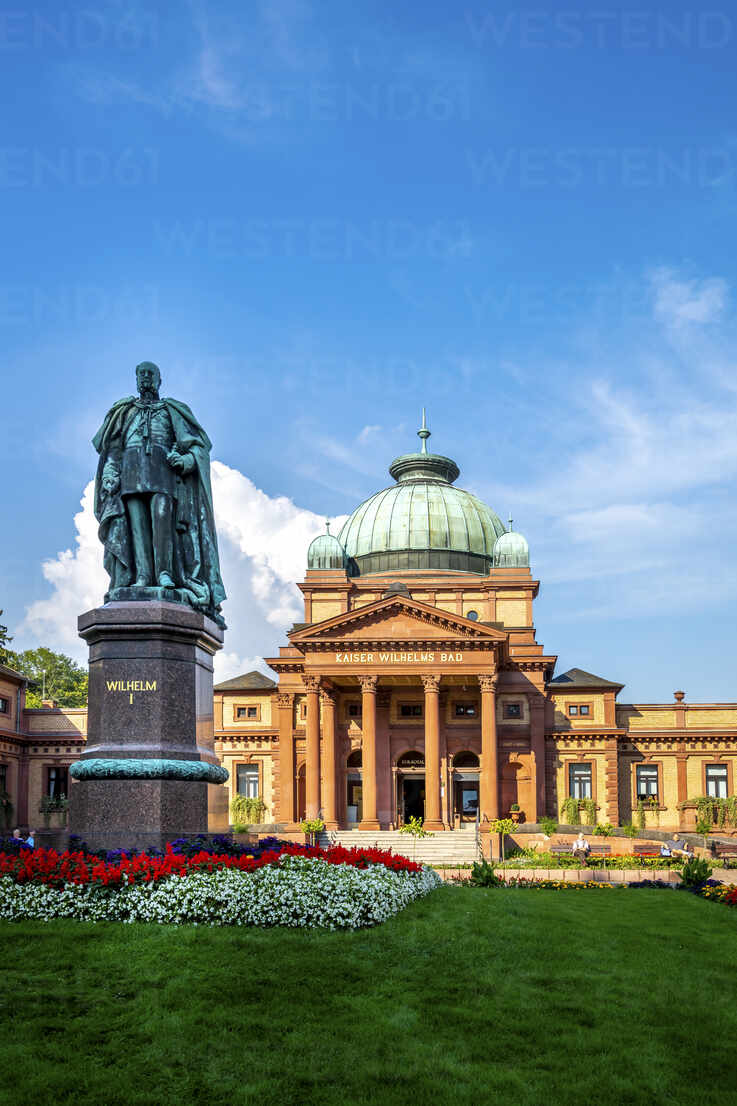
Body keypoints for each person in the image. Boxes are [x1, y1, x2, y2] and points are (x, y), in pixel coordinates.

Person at [92, 362, 226, 626]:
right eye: (141, 374)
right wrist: (110, 474)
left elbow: (197, 448)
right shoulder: (125, 411)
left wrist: (187, 462)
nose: (145, 378)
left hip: (163, 476)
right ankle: (141, 576)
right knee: (137, 528)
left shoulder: (171, 410)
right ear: (135, 379)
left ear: (159, 380)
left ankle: (165, 573)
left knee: (162, 521)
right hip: (131, 476)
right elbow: (112, 450)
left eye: (149, 374)